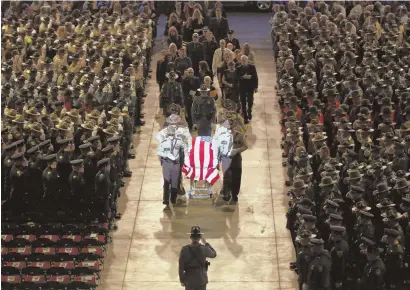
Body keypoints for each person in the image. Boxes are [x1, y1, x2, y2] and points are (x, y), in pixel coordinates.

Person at [156, 125, 186, 209]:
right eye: (169, 134)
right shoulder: (164, 142)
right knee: (166, 181)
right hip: (167, 163)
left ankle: (173, 199)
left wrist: (181, 165)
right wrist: (164, 160)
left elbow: (182, 154)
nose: (171, 136)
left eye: (172, 134)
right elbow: (159, 153)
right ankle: (165, 199)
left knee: (174, 183)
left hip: (176, 164)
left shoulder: (179, 142)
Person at [179, 226, 217, 290]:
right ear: (200, 238)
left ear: (190, 237)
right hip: (201, 279)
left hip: (189, 279)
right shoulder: (204, 248)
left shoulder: (184, 249)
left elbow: (181, 267)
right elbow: (214, 254)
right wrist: (206, 243)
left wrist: (182, 280)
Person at [236, 55, 258, 124]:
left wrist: (256, 87)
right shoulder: (238, 68)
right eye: (242, 60)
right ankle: (245, 117)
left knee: (250, 101)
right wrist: (242, 77)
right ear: (240, 61)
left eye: (245, 60)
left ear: (247, 60)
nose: (243, 61)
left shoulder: (252, 67)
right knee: (243, 102)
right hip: (242, 87)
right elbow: (236, 78)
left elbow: (255, 77)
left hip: (250, 87)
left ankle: (249, 111)